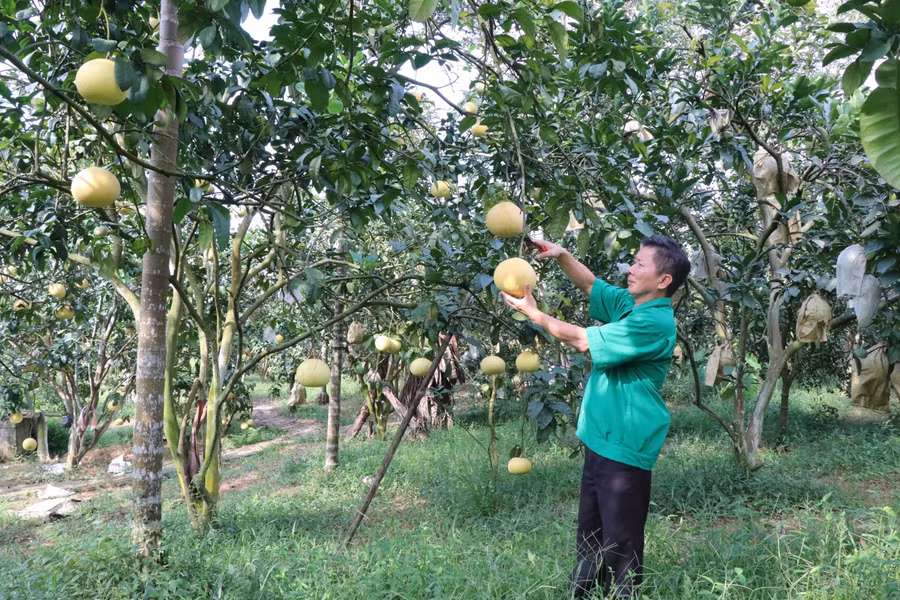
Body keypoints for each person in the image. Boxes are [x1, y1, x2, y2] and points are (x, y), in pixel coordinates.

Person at [502, 234, 690, 598]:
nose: (630, 269)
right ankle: (582, 593)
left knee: (621, 545)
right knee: (590, 535)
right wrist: (562, 255)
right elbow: (590, 284)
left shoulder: (654, 323)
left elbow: (585, 341)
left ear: (664, 280)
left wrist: (535, 314)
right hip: (601, 439)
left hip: (625, 445)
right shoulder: (631, 306)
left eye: (639, 264)